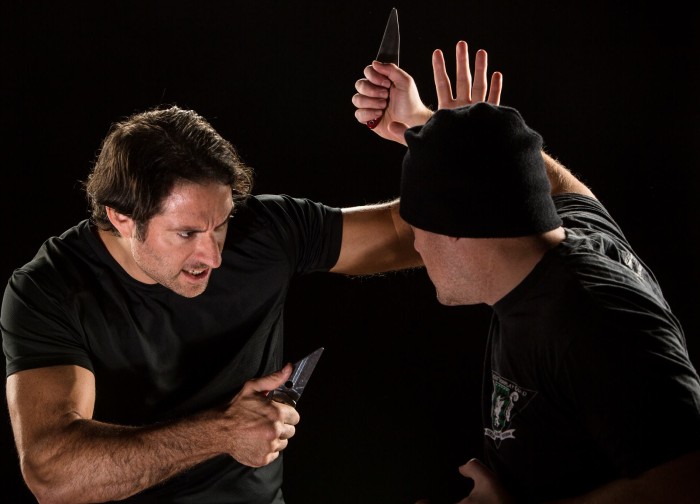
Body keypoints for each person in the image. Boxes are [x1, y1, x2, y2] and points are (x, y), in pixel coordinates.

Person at [0, 42, 501, 503]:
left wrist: (449, 142)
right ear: (121, 217)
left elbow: (411, 232)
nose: (213, 255)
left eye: (219, 225)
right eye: (186, 233)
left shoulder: (264, 229)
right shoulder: (49, 287)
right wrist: (220, 432)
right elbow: (52, 472)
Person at [353, 42, 700, 502]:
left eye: (418, 229)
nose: (416, 246)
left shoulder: (592, 319)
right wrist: (441, 129)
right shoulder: (564, 233)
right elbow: (558, 188)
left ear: (458, 228)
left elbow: (688, 479)